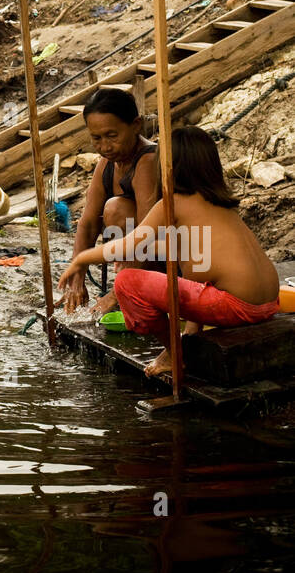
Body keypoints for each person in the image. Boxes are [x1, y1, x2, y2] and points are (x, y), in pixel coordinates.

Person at [58, 126, 280, 376]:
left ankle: (175, 354)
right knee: (174, 254)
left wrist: (81, 259)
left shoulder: (173, 203)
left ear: (167, 167)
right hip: (270, 303)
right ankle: (180, 348)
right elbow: (198, 266)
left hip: (237, 307)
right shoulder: (220, 203)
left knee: (127, 281)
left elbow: (130, 244)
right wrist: (190, 334)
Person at [60, 87, 158, 316]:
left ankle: (133, 289)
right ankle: (127, 283)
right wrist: (76, 280)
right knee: (108, 210)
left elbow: (149, 233)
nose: (104, 146)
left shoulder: (147, 161)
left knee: (116, 209)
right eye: (96, 138)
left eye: (112, 136)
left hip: (172, 253)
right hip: (138, 257)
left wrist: (117, 294)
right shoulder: (107, 162)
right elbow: (88, 223)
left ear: (135, 125)